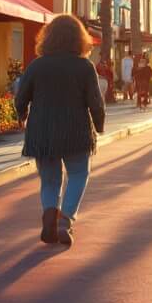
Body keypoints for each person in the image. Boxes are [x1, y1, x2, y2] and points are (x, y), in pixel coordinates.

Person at [14, 14, 105, 247]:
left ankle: (49, 216)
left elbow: (21, 97)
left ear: (49, 37)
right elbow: (95, 100)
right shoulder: (84, 66)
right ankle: (65, 221)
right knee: (78, 174)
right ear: (80, 39)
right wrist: (99, 124)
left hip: (42, 133)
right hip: (75, 131)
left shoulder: (37, 65)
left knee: (50, 180)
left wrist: (21, 115)